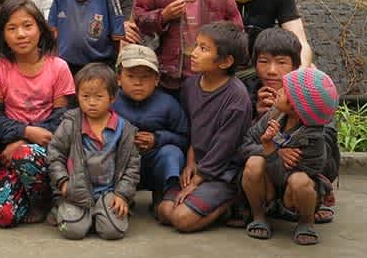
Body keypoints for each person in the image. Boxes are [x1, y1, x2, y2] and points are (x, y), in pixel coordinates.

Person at [0, 0, 75, 228]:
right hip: (10, 149)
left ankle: (44, 199)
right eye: (12, 28)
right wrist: (24, 132)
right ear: (3, 34)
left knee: (25, 154)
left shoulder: (58, 67)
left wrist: (26, 140)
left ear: (40, 29)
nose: (21, 34)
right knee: (4, 215)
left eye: (27, 26)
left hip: (48, 150)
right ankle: (23, 194)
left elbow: (61, 119)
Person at [157, 21, 251, 232]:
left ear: (225, 61)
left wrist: (196, 182)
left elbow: (224, 148)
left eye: (203, 49)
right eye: (196, 45)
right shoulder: (190, 85)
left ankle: (232, 199)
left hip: (222, 171)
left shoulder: (236, 98)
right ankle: (203, 204)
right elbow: (191, 129)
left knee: (181, 219)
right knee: (165, 211)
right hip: (198, 165)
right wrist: (190, 163)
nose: (194, 53)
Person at [242, 28, 339, 224]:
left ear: (295, 66)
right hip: (268, 174)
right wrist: (257, 115)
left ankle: (312, 201)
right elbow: (239, 144)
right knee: (253, 163)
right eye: (263, 61)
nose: (271, 70)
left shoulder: (315, 93)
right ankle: (261, 209)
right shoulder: (245, 92)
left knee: (303, 179)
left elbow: (324, 155)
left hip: (301, 174)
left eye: (281, 62)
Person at [239, 68, 338, 245]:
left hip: (293, 197)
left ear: (296, 108)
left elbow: (287, 176)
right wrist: (275, 150)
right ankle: (258, 216)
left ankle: (306, 222)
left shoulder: (313, 140)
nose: (279, 91)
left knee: (300, 180)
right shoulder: (275, 114)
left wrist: (271, 149)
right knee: (254, 163)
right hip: (270, 189)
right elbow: (245, 145)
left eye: (285, 91)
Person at [47, 63, 141, 240]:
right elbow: (55, 154)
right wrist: (63, 183)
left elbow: (132, 167)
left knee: (113, 232)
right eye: (85, 96)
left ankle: (99, 213)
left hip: (109, 193)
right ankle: (66, 209)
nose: (91, 102)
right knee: (72, 231)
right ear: (77, 96)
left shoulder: (125, 130)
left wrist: (122, 194)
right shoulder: (70, 123)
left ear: (112, 97)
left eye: (98, 96)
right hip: (76, 191)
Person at [112, 44, 189, 209]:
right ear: (118, 78)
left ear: (156, 79)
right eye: (130, 76)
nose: (138, 82)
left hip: (153, 163)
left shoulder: (168, 104)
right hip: (119, 166)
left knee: (172, 153)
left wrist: (157, 139)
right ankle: (117, 196)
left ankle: (167, 193)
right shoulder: (110, 102)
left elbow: (185, 139)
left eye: (146, 77)